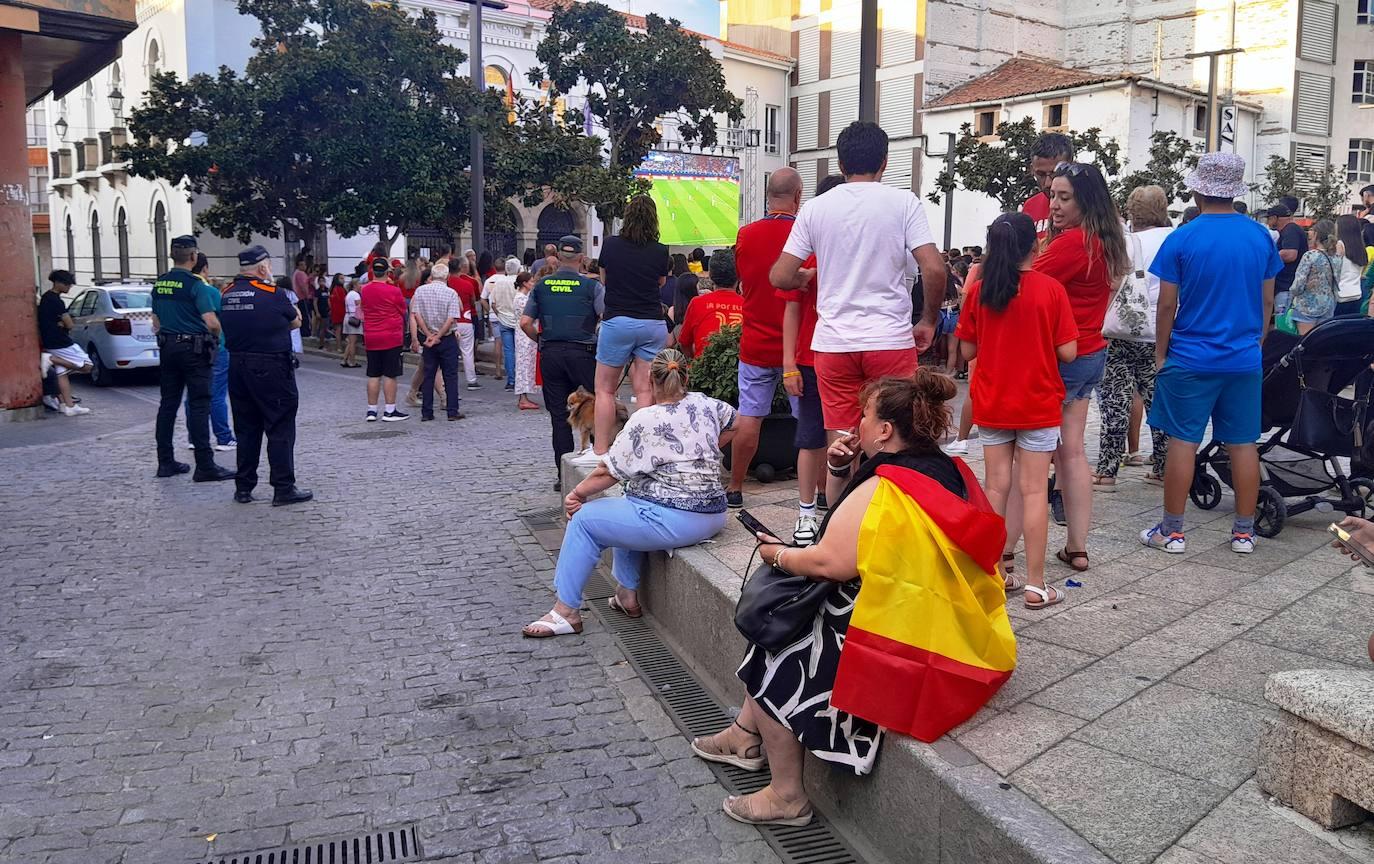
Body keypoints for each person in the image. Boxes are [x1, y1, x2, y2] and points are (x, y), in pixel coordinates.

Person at [692, 371, 1003, 824]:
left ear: (884, 430)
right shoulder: (942, 468)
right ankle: (744, 734)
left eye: (865, 415)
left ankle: (787, 795)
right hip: (928, 611)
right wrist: (840, 471)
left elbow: (832, 561)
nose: (856, 423)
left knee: (781, 638)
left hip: (893, 623)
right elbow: (853, 529)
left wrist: (775, 555)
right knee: (782, 620)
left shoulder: (886, 482)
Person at [769, 121, 947, 487]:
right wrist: (928, 320)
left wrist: (803, 277)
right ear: (884, 161)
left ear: (840, 162)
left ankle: (838, 535)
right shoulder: (904, 203)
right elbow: (933, 267)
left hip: (835, 344)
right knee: (895, 441)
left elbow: (780, 276)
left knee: (841, 447)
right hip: (890, 340)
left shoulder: (816, 209)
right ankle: (886, 525)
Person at [522, 349, 736, 637]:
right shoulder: (706, 404)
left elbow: (608, 471)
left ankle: (565, 612)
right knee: (632, 502)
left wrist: (576, 495)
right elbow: (738, 423)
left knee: (585, 521)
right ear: (686, 375)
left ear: (650, 379)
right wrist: (708, 448)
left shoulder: (645, 419)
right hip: (713, 514)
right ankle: (626, 593)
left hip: (675, 520)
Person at [1142, 152, 1281, 556]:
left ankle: (1172, 531)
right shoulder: (1259, 237)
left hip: (1190, 356)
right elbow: (1268, 298)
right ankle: (1243, 532)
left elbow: (1166, 305)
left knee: (1183, 441)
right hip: (1242, 356)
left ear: (1199, 188)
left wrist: (1161, 354)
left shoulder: (1183, 237)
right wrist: (1257, 340)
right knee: (1243, 443)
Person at [956, 212, 1078, 607]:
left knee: (995, 488)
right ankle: (1037, 584)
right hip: (1038, 404)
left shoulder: (979, 292)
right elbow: (1069, 352)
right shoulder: (1051, 290)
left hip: (992, 402)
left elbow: (968, 350)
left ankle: (994, 573)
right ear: (1036, 246)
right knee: (1033, 492)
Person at [1028, 161, 1130, 574]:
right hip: (1092, 352)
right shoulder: (1107, 239)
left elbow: (1024, 279)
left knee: (1032, 459)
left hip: (1061, 356)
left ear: (1085, 201)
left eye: (1063, 197)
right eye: (1052, 194)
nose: (1053, 204)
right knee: (1072, 453)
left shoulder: (1073, 244)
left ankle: (1010, 552)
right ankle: (1078, 546)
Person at [726, 169, 804, 508]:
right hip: (798, 346)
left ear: (767, 196)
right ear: (798, 197)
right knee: (809, 421)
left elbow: (746, 278)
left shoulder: (746, 235)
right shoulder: (805, 234)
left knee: (750, 418)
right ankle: (816, 491)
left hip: (755, 341)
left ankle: (735, 487)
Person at [778, 173, 845, 541]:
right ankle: (806, 513)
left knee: (850, 438)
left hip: (850, 353)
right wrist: (789, 365)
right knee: (810, 437)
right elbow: (791, 310)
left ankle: (841, 511)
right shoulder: (807, 257)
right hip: (811, 358)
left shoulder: (852, 254)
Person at [1093, 185, 1172, 490]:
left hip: (1125, 331)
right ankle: (1163, 468)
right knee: (1159, 403)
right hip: (1163, 333)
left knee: (1116, 400)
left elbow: (1111, 282)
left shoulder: (1125, 242)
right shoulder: (1175, 238)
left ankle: (1106, 471)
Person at [219, 246, 311, 506]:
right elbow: (295, 321)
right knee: (279, 425)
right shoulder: (273, 293)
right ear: (262, 268)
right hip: (271, 365)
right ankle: (283, 487)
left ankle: (243, 487)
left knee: (246, 427)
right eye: (269, 266)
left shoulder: (226, 294)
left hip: (237, 365)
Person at [585, 195, 670, 463]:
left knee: (605, 390)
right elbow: (659, 282)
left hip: (618, 321)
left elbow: (604, 279)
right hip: (651, 323)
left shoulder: (610, 246)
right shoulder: (660, 250)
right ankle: (643, 448)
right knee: (645, 390)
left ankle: (600, 450)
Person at [521, 235, 605, 487]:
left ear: (558, 257)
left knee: (559, 417)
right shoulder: (592, 287)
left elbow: (525, 322)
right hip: (583, 353)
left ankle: (563, 475)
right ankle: (593, 469)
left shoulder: (542, 285)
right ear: (581, 258)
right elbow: (605, 317)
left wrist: (542, 341)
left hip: (552, 354)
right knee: (593, 412)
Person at [151, 235, 235, 482]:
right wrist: (216, 337)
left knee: (168, 404)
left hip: (167, 347)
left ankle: (165, 462)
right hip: (194, 349)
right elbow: (211, 322)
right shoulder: (194, 285)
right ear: (193, 257)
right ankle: (205, 465)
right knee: (200, 404)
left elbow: (155, 322)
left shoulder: (160, 284)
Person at [182, 253, 235, 451]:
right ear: (204, 268)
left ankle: (194, 437)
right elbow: (220, 320)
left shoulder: (183, 290)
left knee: (192, 395)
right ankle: (223, 437)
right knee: (217, 394)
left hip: (188, 347)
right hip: (214, 347)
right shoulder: (209, 291)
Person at [410, 262, 463, 421]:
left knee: (428, 374)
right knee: (450, 375)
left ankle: (427, 412)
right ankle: (452, 411)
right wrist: (439, 335)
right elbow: (451, 317)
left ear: (431, 276)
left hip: (428, 337)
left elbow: (416, 314)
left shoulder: (420, 291)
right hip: (446, 337)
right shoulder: (451, 293)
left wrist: (429, 335)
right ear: (447, 276)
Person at [359, 256, 409, 422]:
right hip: (391, 336)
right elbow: (402, 310)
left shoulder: (364, 290)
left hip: (371, 335)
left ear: (372, 271)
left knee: (373, 374)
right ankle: (389, 410)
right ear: (387, 272)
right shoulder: (394, 291)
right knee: (390, 374)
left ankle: (371, 410)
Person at [36, 269, 92, 416]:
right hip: (60, 341)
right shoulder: (56, 301)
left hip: (50, 340)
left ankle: (68, 405)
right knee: (87, 366)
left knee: (62, 373)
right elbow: (70, 324)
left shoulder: (45, 298)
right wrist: (63, 322)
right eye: (67, 284)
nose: (69, 287)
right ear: (58, 283)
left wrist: (62, 322)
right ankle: (50, 359)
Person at [677, 248, 743, 358]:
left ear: (711, 276)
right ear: (738, 276)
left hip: (702, 370)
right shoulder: (748, 306)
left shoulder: (697, 303)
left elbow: (684, 344)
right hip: (739, 371)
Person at [1287, 219, 1343, 335]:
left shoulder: (1310, 256)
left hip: (1307, 306)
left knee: (1305, 343)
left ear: (1316, 234)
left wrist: (1290, 299)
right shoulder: (1337, 257)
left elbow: (1298, 285)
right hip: (1328, 305)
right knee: (1322, 342)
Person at [1023, 132, 1075, 239]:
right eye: (1040, 174)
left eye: (1054, 174)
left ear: (1072, 166)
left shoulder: (1088, 207)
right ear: (1032, 169)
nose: (1048, 183)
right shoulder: (1030, 206)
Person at [483, 257, 522, 392]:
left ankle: (511, 380)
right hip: (517, 319)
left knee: (508, 350)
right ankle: (520, 379)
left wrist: (499, 314)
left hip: (504, 319)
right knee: (519, 350)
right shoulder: (519, 282)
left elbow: (492, 302)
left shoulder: (499, 282)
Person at [447, 257, 481, 391]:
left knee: (449, 353)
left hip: (450, 321)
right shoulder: (468, 284)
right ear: (460, 268)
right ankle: (471, 380)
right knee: (467, 351)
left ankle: (446, 380)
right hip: (465, 319)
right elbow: (473, 301)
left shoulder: (446, 283)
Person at [1272, 199, 1306, 315]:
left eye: (1269, 218)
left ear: (1276, 218)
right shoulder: (1289, 230)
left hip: (1287, 287)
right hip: (1285, 286)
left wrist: (1269, 256)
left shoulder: (1290, 229)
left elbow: (1291, 254)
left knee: (1282, 321)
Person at [512, 271, 541, 411]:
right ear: (525, 283)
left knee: (527, 363)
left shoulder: (522, 297)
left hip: (523, 334)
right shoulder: (521, 299)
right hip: (525, 336)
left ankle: (524, 395)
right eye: (531, 282)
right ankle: (523, 397)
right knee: (524, 364)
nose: (533, 284)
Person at [1333, 214, 1368, 316]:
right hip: (1357, 293)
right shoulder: (1361, 247)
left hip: (1340, 294)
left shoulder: (1340, 245)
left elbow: (1334, 268)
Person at [341, 278, 363, 368]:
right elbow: (360, 306)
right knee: (353, 342)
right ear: (355, 285)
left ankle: (344, 359)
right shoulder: (356, 295)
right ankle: (352, 361)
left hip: (347, 317)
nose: (360, 286)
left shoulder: (349, 294)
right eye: (359, 284)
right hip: (354, 318)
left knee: (350, 341)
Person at [292, 254, 314, 337]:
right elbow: (304, 286)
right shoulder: (301, 274)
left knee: (302, 314)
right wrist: (307, 295)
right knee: (306, 315)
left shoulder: (295, 273)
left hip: (298, 297)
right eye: (304, 265)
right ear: (300, 265)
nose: (305, 266)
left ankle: (303, 331)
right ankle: (306, 331)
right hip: (303, 297)